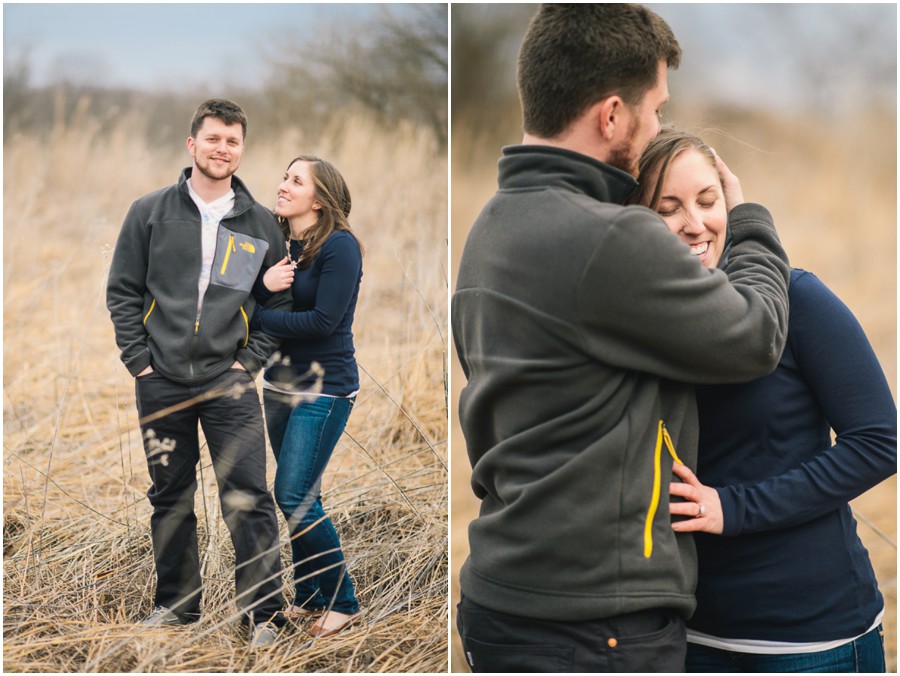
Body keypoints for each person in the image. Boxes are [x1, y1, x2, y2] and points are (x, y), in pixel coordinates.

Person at [452, 4, 793, 672]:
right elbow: (755, 336)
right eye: (656, 109)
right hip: (593, 624)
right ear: (612, 115)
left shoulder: (492, 227)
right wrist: (748, 220)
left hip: (503, 598)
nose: (660, 125)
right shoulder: (609, 238)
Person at [631, 127, 896, 672]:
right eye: (668, 207)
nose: (695, 224)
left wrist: (734, 508)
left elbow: (880, 442)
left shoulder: (799, 300)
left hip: (808, 642)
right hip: (689, 635)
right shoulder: (635, 326)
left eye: (708, 201)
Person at [106, 98, 290, 647]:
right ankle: (177, 607)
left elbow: (276, 304)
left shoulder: (260, 222)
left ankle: (263, 616)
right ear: (192, 145)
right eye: (212, 139)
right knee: (170, 495)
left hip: (227, 382)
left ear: (242, 149)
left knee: (250, 495)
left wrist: (248, 363)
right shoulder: (150, 212)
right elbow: (122, 290)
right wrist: (139, 361)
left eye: (232, 141)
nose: (222, 149)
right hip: (160, 379)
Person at [251, 155, 364, 639]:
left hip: (326, 388)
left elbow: (323, 322)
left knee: (293, 494)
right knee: (303, 495)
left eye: (296, 181)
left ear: (318, 199)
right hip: (276, 385)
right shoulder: (277, 242)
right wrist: (259, 289)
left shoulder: (340, 248)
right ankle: (312, 595)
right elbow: (239, 293)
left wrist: (256, 315)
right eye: (284, 177)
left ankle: (343, 601)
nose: (283, 186)